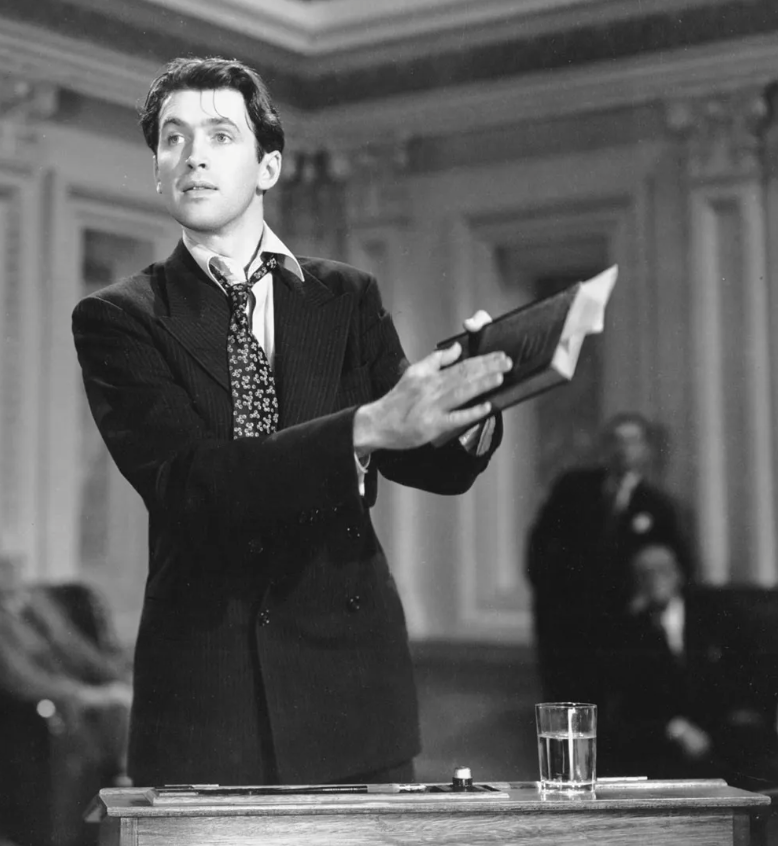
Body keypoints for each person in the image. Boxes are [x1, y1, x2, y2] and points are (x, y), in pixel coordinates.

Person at [71, 56, 512, 787]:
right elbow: (190, 482)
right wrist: (366, 429)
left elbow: (423, 460)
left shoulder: (346, 296)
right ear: (156, 172)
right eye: (173, 140)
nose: (194, 156)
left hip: (351, 682)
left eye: (220, 134)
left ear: (268, 165)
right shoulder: (120, 317)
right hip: (206, 690)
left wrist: (471, 410)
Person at [525, 411, 692, 704]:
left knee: (611, 712)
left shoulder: (659, 507)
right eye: (616, 440)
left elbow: (678, 568)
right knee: (564, 706)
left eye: (632, 441)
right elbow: (540, 545)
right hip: (566, 624)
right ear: (604, 447)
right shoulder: (573, 488)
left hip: (621, 629)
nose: (623, 449)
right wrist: (549, 598)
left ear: (647, 449)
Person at [600, 542, 778, 785]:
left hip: (721, 726)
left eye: (662, 570)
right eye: (645, 574)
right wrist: (676, 728)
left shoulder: (713, 614)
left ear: (678, 573)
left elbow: (745, 673)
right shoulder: (631, 631)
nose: (655, 579)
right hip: (668, 734)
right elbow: (630, 705)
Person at [0, 554, 132, 780]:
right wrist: (85, 694)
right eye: (4, 570)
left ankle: (122, 774)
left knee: (125, 699)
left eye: (13, 567)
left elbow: (74, 646)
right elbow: (22, 678)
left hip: (78, 685)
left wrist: (118, 676)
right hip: (51, 697)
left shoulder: (36, 599)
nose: (12, 574)